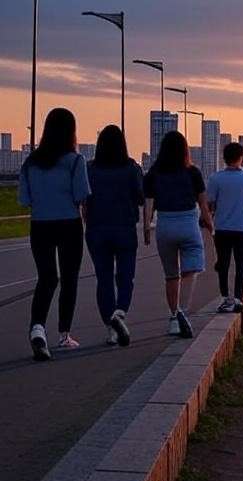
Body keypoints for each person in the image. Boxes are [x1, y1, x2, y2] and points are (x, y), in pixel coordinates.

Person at [18, 108, 91, 360]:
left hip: (40, 225)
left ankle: (37, 328)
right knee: (69, 279)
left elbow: (24, 200)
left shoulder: (30, 163)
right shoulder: (76, 161)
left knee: (47, 278)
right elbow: (81, 195)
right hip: (69, 224)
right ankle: (64, 334)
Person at [143, 131, 213, 338]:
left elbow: (149, 204)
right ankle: (181, 310)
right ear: (185, 150)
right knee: (192, 268)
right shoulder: (193, 172)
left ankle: (174, 318)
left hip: (164, 224)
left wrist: (147, 228)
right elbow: (203, 204)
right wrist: (211, 226)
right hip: (188, 223)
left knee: (171, 275)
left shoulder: (154, 173)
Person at [84, 125, 144, 347]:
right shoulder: (132, 168)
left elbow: (84, 197)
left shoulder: (90, 169)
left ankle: (111, 329)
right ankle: (120, 312)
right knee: (126, 276)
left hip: (97, 229)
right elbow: (140, 197)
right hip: (124, 228)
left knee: (104, 279)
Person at [207, 143, 243, 313]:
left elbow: (210, 205)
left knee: (223, 265)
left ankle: (224, 297)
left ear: (224, 158)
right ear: (242, 158)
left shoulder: (215, 178)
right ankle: (238, 298)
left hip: (222, 229)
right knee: (241, 265)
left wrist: (209, 224)